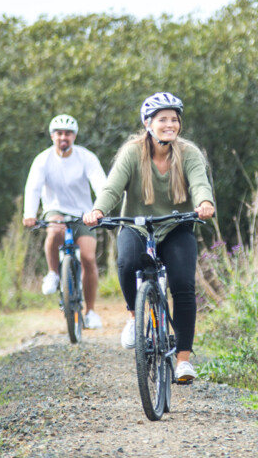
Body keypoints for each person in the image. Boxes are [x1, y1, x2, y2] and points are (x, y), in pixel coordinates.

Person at [83, 92, 215, 382]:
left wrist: (204, 203)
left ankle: (183, 361)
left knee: (182, 285)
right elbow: (112, 188)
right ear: (148, 123)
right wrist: (98, 209)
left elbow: (200, 183)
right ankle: (134, 315)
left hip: (176, 225)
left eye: (174, 119)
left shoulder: (189, 153)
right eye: (163, 119)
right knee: (127, 261)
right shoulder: (132, 153)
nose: (170, 124)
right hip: (137, 225)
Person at [23, 114, 107, 330]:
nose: (63, 137)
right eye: (59, 133)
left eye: (68, 133)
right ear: (52, 136)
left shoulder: (86, 157)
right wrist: (29, 213)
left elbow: (100, 184)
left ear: (74, 136)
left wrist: (101, 209)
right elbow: (32, 188)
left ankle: (91, 312)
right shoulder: (43, 160)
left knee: (88, 258)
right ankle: (53, 273)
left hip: (84, 213)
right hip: (55, 209)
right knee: (55, 229)